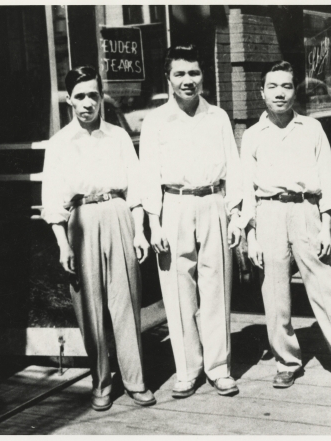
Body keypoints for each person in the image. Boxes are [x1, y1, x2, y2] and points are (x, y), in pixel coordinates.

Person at [240, 61, 331, 390]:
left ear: (294, 91)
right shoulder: (252, 136)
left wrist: (325, 224)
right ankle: (287, 361)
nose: (280, 93)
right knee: (275, 295)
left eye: (286, 86)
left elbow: (328, 180)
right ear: (261, 92)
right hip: (268, 215)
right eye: (272, 86)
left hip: (307, 211)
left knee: (326, 289)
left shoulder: (311, 129)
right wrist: (251, 235)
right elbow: (244, 188)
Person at [42, 66, 155, 411]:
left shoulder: (117, 136)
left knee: (125, 302)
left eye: (93, 95)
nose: (88, 103)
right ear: (69, 101)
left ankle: (135, 380)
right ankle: (101, 381)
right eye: (80, 96)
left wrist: (139, 232)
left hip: (118, 213)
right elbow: (52, 198)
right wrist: (62, 243)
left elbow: (135, 188)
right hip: (81, 221)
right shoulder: (60, 143)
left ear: (100, 96)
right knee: (90, 308)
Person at [139, 44, 245, 398]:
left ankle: (219, 368)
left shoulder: (218, 117)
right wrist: (153, 222)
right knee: (178, 290)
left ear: (203, 76)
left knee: (218, 288)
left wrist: (234, 215)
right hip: (174, 206)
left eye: (194, 73)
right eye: (180, 74)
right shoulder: (155, 120)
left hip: (213, 202)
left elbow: (234, 167)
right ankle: (187, 369)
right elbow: (147, 173)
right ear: (168, 78)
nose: (188, 81)